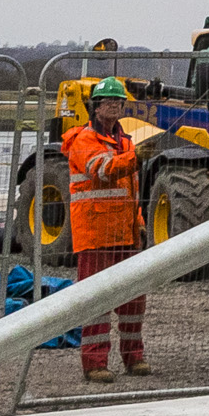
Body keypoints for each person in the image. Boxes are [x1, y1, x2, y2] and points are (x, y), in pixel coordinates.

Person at [61, 78, 152, 382]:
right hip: (95, 234)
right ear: (95, 107)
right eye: (109, 102)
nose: (114, 106)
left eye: (118, 102)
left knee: (133, 301)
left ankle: (133, 357)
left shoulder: (124, 142)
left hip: (125, 234)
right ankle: (95, 363)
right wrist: (136, 157)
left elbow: (130, 192)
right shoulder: (84, 141)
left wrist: (139, 223)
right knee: (97, 302)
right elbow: (104, 171)